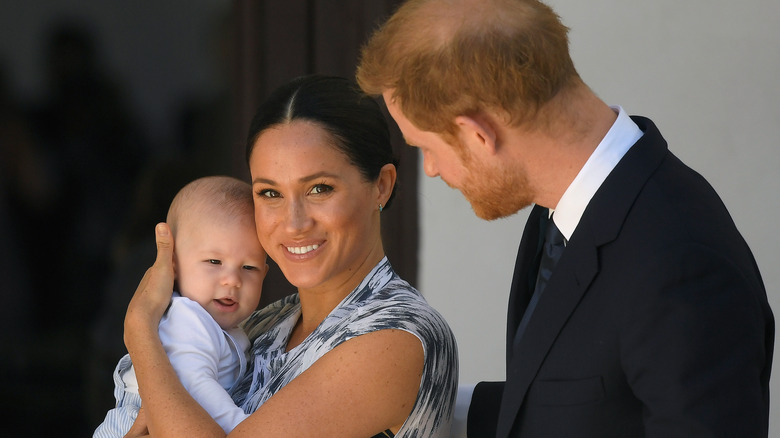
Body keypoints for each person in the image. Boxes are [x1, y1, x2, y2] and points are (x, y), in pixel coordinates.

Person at [356, 0, 774, 437]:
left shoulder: (683, 265)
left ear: (479, 134)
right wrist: (410, 401)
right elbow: (582, 404)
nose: (431, 169)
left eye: (426, 147)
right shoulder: (564, 211)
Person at [122, 74, 458, 437]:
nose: (294, 223)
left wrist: (141, 329)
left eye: (319, 188)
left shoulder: (397, 335)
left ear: (382, 185)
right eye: (270, 193)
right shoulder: (263, 325)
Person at [94, 175, 268, 436]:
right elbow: (195, 387)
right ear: (172, 265)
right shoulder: (187, 319)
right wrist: (243, 429)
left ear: (265, 273)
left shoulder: (227, 326)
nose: (232, 280)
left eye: (249, 267)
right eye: (213, 262)